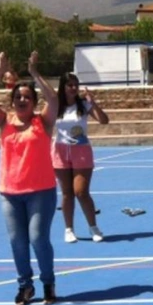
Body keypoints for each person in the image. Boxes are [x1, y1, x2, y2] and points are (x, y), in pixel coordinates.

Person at [0, 51, 59, 305]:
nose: (22, 99)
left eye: (27, 97)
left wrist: (35, 73)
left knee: (37, 238)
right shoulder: (4, 121)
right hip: (10, 193)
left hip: (41, 192)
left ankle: (48, 282)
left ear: (33, 101)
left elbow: (54, 99)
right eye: (18, 97)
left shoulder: (43, 122)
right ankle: (25, 285)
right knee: (17, 242)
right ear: (12, 101)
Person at [53, 73, 109, 243]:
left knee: (81, 192)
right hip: (60, 151)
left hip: (81, 151)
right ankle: (69, 229)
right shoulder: (56, 106)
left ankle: (93, 227)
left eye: (75, 85)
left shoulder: (84, 105)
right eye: (69, 85)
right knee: (67, 193)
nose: (73, 88)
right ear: (63, 87)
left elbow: (104, 120)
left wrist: (94, 103)